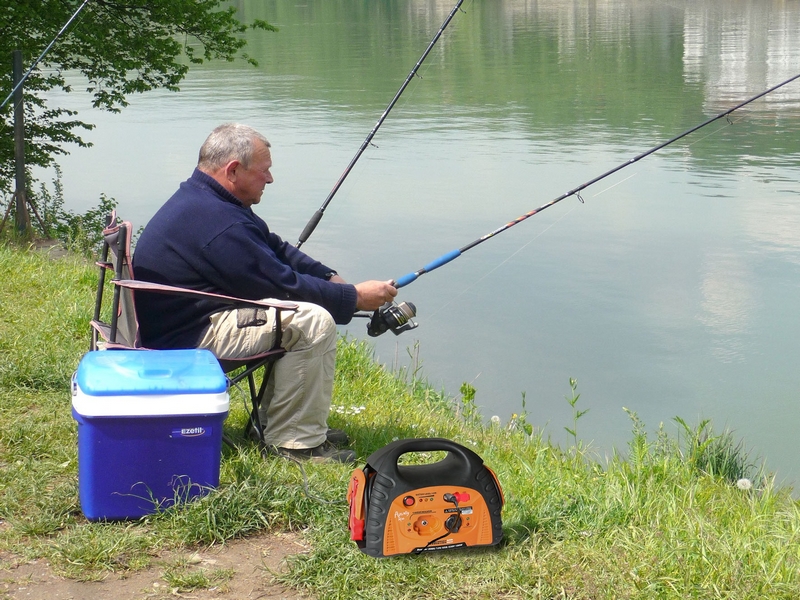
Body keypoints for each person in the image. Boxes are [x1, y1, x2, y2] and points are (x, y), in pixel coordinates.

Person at [133, 123, 397, 463]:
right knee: (310, 323)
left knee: (301, 315)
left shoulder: (210, 201)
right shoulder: (216, 221)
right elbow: (279, 286)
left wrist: (332, 279)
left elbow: (276, 249)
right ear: (232, 170)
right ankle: (295, 445)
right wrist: (354, 299)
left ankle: (277, 423)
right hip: (187, 337)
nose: (270, 179)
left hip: (189, 320)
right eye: (264, 171)